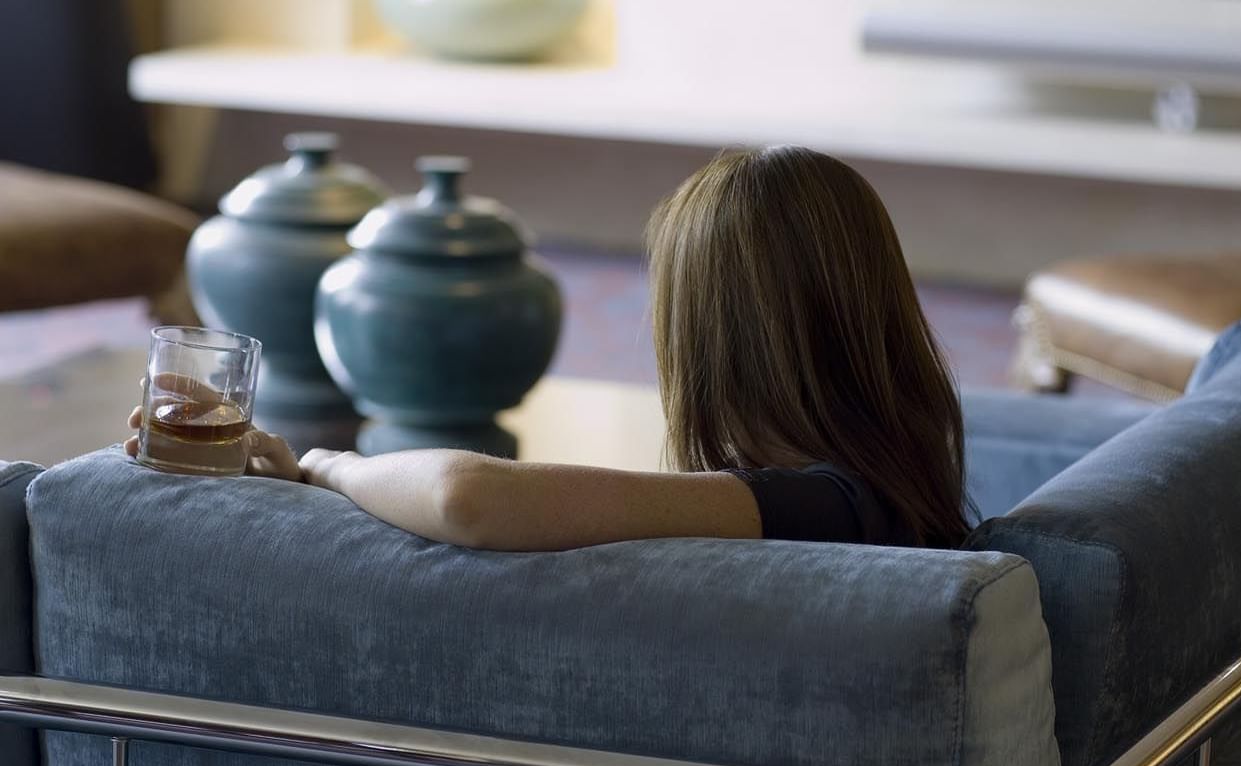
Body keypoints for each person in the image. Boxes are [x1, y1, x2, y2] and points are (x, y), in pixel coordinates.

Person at [126, 146, 972, 551]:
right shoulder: (895, 480)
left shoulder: (821, 509)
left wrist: (327, 466)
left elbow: (467, 495)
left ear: (710, 338)